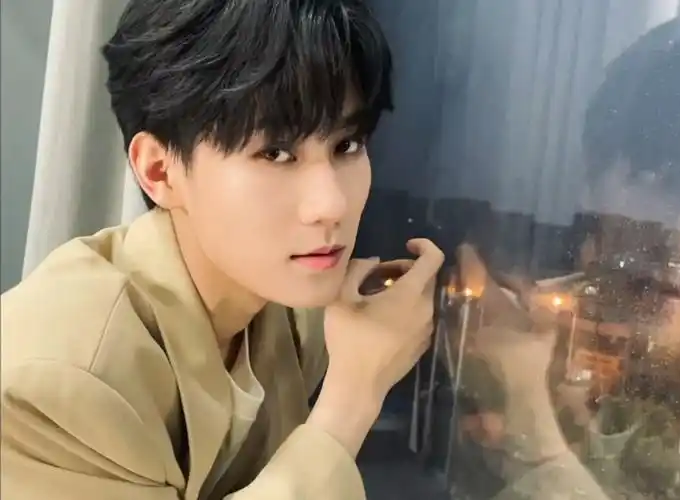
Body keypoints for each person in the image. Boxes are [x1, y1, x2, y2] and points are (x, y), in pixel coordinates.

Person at [0, 1, 444, 499]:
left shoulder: (285, 308)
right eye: (275, 153)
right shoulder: (55, 382)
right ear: (159, 171)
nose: (332, 204)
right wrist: (352, 396)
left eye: (347, 145)